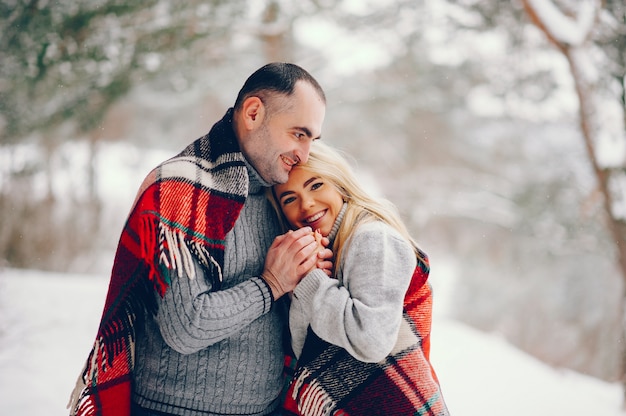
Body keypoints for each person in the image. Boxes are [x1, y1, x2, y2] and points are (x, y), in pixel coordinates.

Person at [68, 62, 332, 416]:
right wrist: (271, 284)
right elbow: (186, 326)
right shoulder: (181, 190)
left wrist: (312, 273)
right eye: (299, 134)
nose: (304, 153)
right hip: (175, 410)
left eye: (312, 140)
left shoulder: (280, 196)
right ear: (253, 112)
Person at [269, 141, 450, 416]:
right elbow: (303, 345)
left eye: (316, 185)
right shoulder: (328, 250)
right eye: (289, 198)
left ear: (339, 183)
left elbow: (372, 341)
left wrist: (312, 280)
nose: (306, 204)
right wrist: (308, 278)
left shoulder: (372, 238)